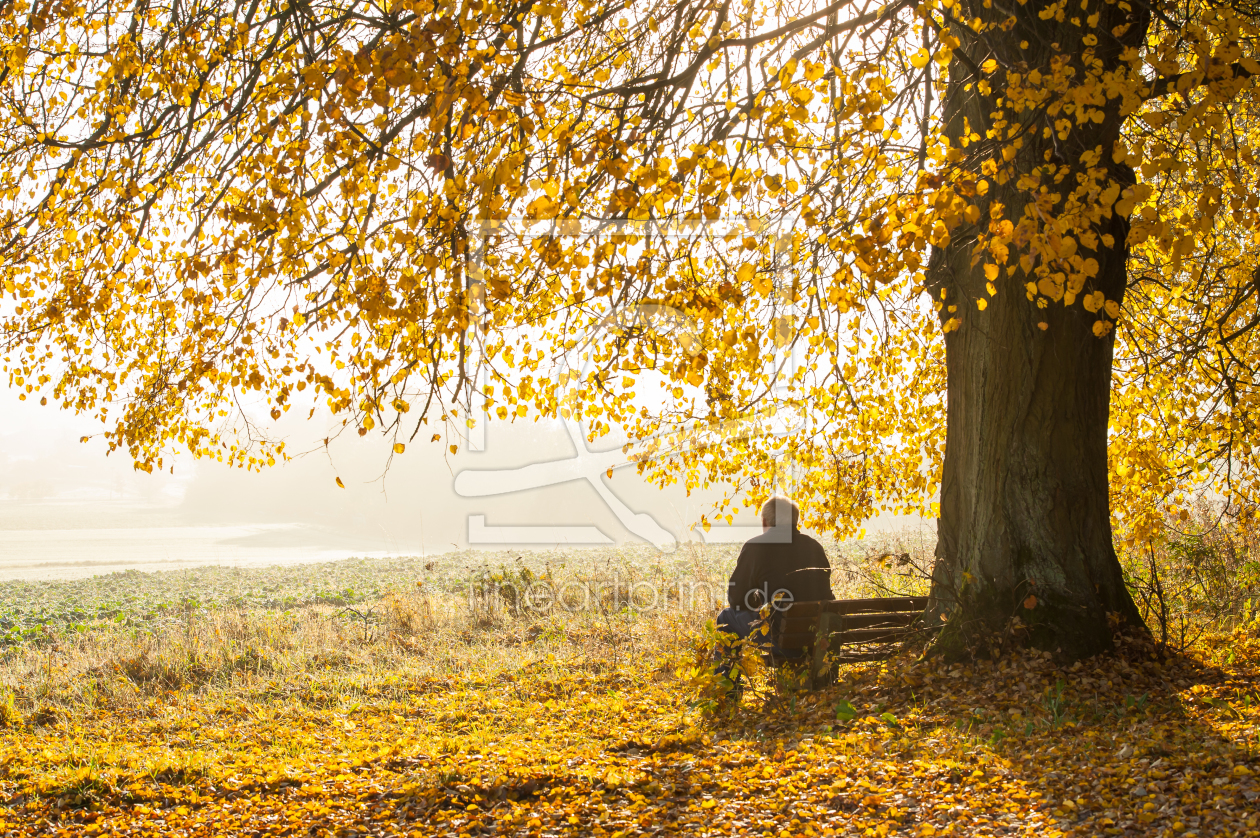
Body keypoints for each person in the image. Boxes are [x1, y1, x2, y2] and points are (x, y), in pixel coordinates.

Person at [713, 496, 834, 682]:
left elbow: (736, 599)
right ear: (795, 520)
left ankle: (727, 692)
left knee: (726, 618)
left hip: (781, 640)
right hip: (817, 640)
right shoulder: (813, 546)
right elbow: (825, 593)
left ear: (765, 521)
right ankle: (823, 682)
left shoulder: (757, 546)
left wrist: (758, 602)